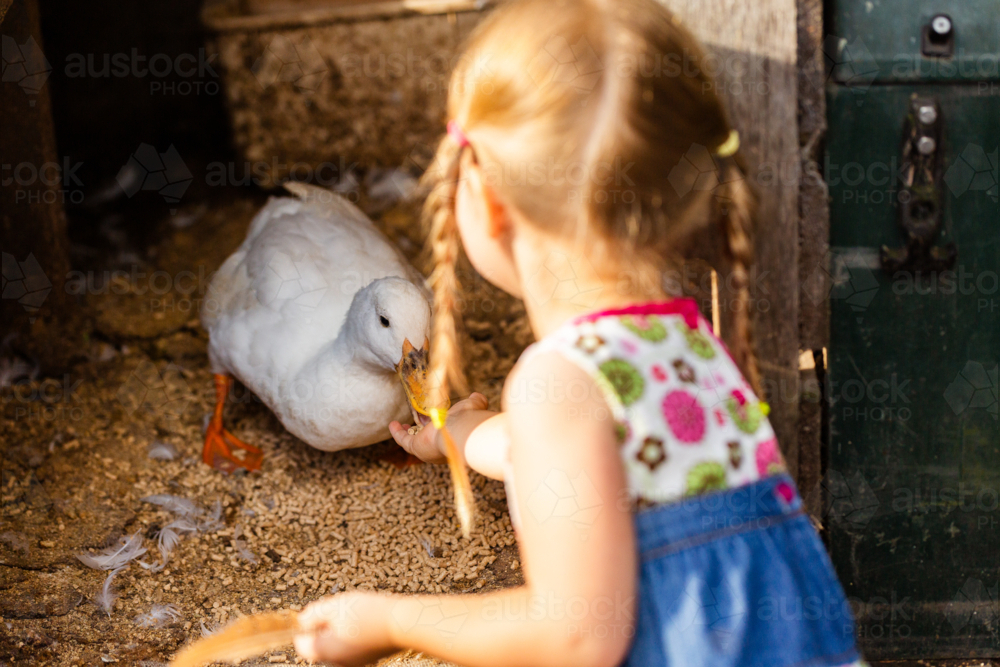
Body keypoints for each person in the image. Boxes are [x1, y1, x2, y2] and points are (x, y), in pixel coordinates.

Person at [294, 0, 865, 665]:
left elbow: (574, 637)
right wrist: (460, 434)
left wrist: (391, 620)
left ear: (487, 202)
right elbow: (582, 459)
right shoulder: (686, 346)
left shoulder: (553, 383)